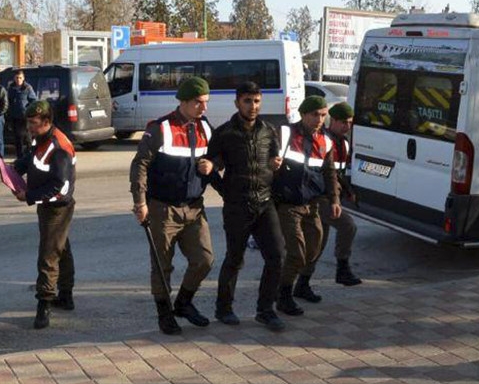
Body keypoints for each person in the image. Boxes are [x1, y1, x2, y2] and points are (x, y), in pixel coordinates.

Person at [130, 76, 215, 335]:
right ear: (185, 102)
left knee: (204, 260)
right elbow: (140, 164)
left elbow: (216, 157)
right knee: (162, 265)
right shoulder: (160, 128)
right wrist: (140, 202)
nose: (204, 108)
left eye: (206, 103)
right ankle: (165, 313)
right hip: (162, 209)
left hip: (194, 207)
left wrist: (212, 165)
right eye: (199, 103)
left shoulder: (205, 127)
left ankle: (184, 303)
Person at [200, 81, 286, 332]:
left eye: (257, 101)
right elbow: (210, 165)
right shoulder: (225, 133)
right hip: (237, 206)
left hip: (265, 202)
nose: (253, 106)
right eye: (247, 101)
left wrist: (275, 165)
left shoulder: (269, 131)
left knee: (276, 255)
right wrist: (226, 191)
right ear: (237, 102)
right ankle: (224, 308)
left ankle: (266, 310)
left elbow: (273, 162)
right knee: (235, 259)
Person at [12, 101, 77, 329]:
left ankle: (44, 306)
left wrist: (29, 196)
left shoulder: (59, 147)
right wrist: (14, 169)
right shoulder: (42, 138)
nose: (29, 127)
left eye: (33, 123)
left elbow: (60, 187)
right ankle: (66, 295)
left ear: (46, 122)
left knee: (48, 255)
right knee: (61, 249)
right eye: (28, 122)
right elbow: (32, 160)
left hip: (57, 207)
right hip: (47, 205)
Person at [274, 96, 341, 316]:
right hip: (287, 205)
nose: (319, 119)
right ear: (303, 114)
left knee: (314, 248)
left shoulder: (326, 141)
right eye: (315, 115)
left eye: (323, 115)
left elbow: (330, 173)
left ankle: (302, 285)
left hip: (312, 205)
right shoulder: (286, 134)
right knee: (296, 252)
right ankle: (283, 295)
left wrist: (334, 200)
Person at [294, 101, 362, 304]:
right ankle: (342, 268)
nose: (346, 126)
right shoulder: (323, 139)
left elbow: (338, 173)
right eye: (342, 122)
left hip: (332, 197)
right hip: (319, 197)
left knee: (318, 245)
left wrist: (348, 191)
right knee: (348, 226)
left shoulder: (345, 143)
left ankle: (302, 284)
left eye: (350, 122)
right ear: (332, 121)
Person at [8, 70, 37, 159]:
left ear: (23, 78)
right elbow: (9, 100)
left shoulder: (27, 88)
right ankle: (19, 157)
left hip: (25, 117)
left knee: (27, 138)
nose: (18, 79)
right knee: (17, 138)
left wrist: (28, 110)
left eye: (20, 78)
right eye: (17, 78)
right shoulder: (11, 88)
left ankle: (30, 157)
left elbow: (33, 101)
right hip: (15, 116)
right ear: (14, 78)